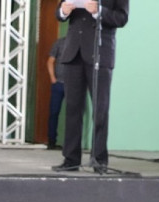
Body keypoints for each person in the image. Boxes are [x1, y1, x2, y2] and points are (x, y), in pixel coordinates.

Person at [52, 0, 129, 173]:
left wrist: (99, 11)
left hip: (100, 54)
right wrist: (63, 11)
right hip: (73, 53)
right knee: (72, 109)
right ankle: (71, 159)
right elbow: (59, 13)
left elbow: (122, 18)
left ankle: (99, 160)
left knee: (100, 110)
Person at [47, 36, 66, 149]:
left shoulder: (80, 43)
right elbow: (50, 61)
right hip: (58, 83)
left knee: (73, 115)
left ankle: (71, 143)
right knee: (54, 113)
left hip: (73, 85)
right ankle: (51, 141)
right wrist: (53, 79)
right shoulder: (59, 43)